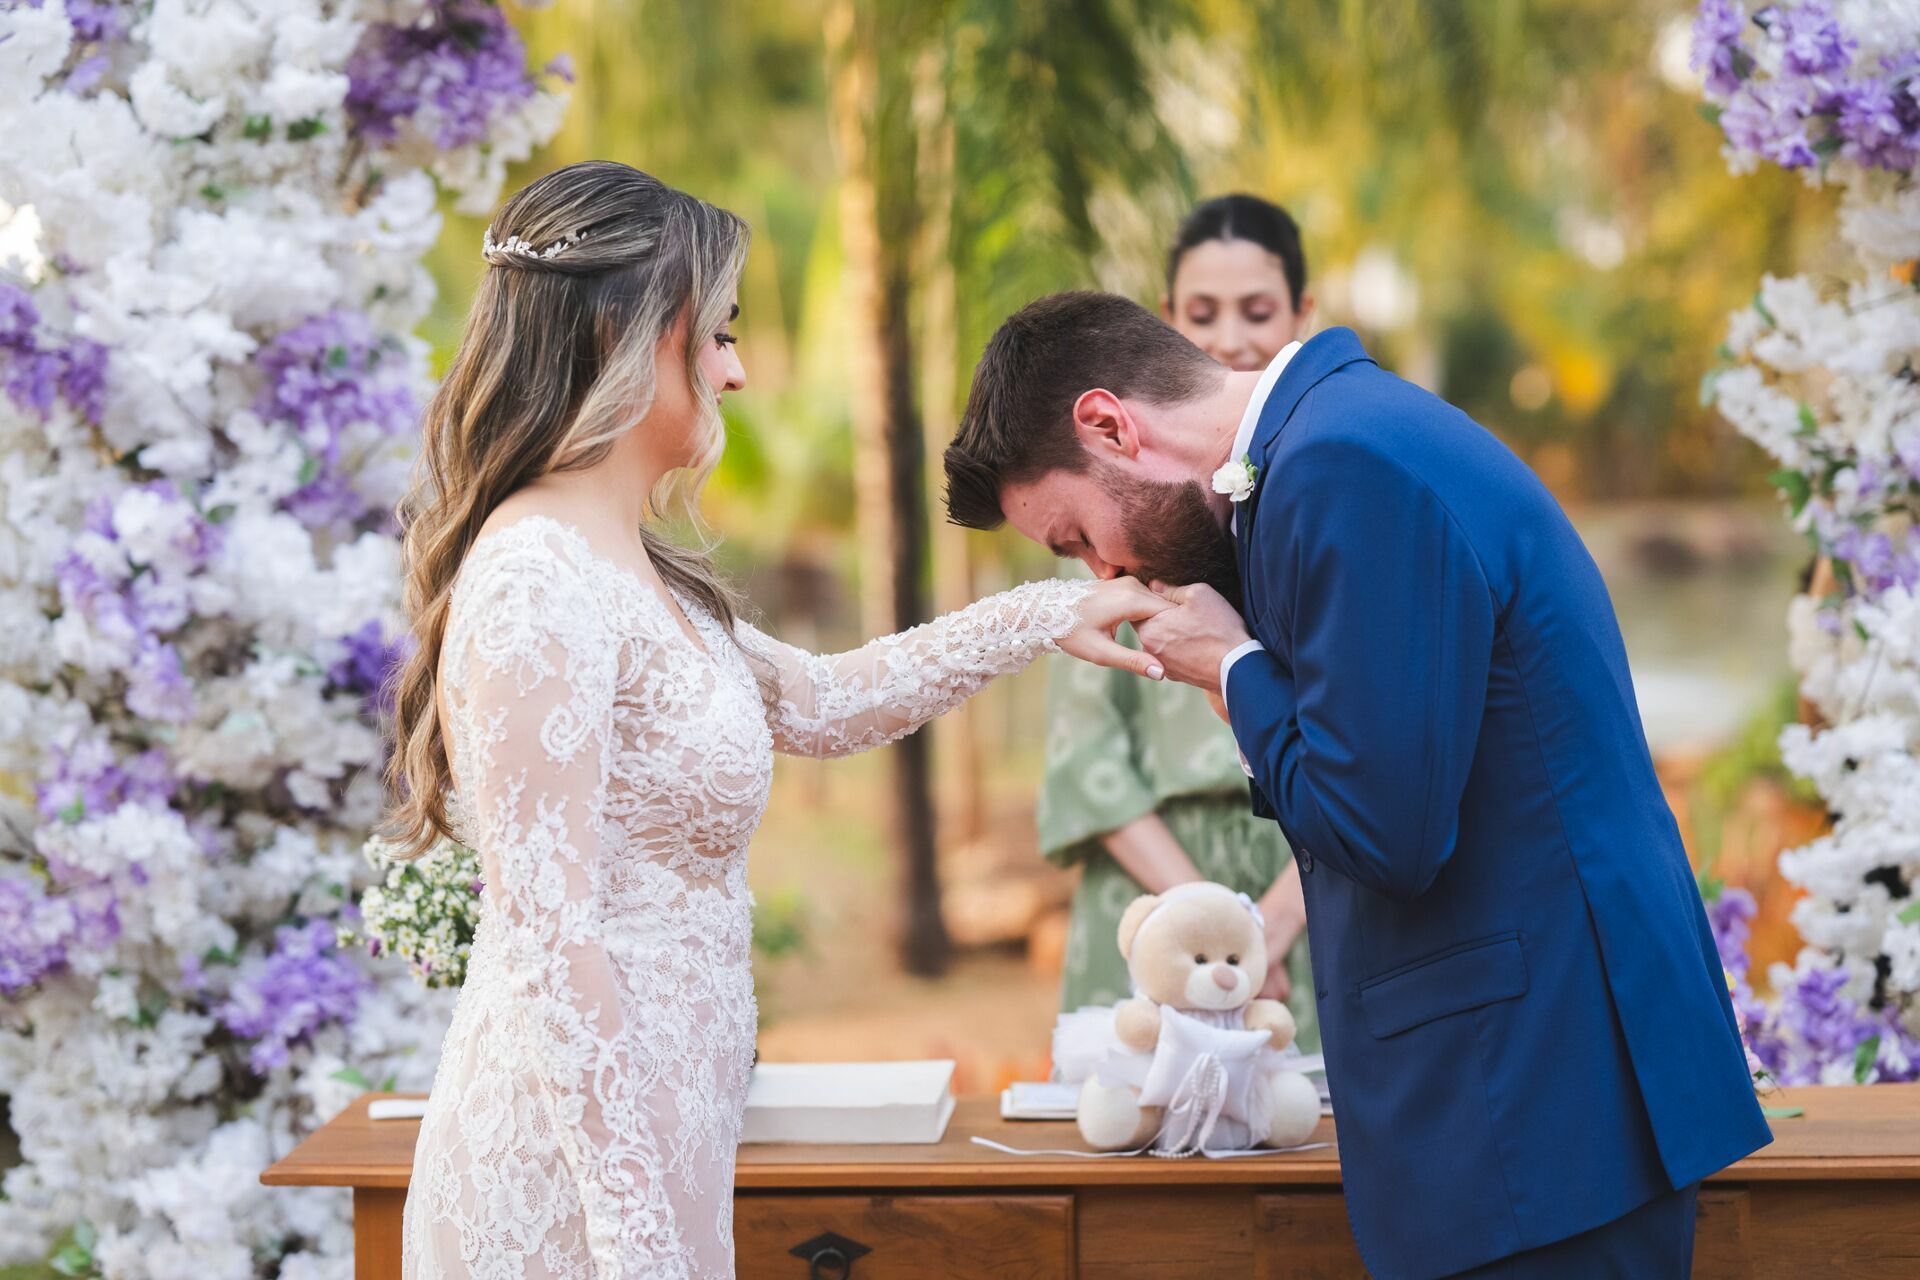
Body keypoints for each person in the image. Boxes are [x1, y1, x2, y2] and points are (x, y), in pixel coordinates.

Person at [381, 162, 1168, 1279]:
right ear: (624, 333)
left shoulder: (634, 567)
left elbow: (823, 700)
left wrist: (1048, 611)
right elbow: (550, 939)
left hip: (671, 1147)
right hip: (569, 1191)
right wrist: (638, 1243)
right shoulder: (533, 578)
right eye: (718, 335)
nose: (737, 371)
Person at [942, 294, 1771, 1279]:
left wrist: (1236, 672)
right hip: (1537, 1097)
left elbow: (1386, 829)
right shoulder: (1338, 440)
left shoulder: (1341, 469)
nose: (1105, 570)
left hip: (1541, 1098)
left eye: (1078, 535)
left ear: (1110, 425)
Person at [1039, 196, 1317, 1052]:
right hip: (1152, 898)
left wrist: (1269, 928)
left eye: (1257, 311)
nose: (1230, 336)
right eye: (1202, 313)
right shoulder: (1110, 522)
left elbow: (1372, 749)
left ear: (1303, 316)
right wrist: (1205, 921)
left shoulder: (1327, 510)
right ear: (1167, 324)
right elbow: (1088, 763)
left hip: (1308, 884)